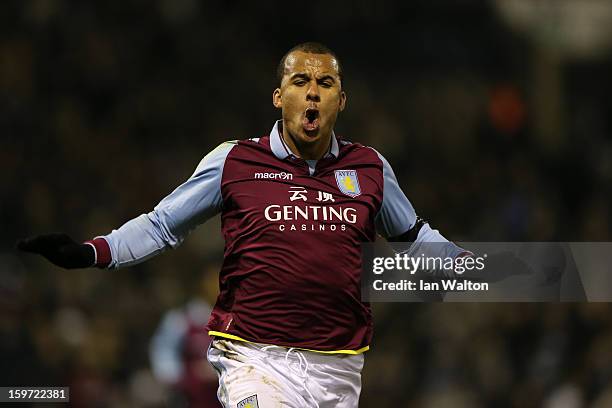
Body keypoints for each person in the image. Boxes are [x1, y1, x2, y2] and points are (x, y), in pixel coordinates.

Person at [18, 42, 471, 407]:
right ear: (279, 97)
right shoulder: (234, 160)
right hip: (253, 357)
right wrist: (92, 252)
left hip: (339, 367)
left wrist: (476, 267)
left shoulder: (370, 167)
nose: (312, 92)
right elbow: (162, 225)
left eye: (325, 83)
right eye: (300, 81)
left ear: (341, 100)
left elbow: (414, 237)